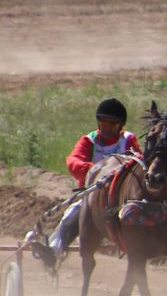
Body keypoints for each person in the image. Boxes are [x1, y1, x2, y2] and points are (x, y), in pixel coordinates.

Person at [34, 97, 142, 266]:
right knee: (69, 217)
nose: (106, 129)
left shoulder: (129, 140)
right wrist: (96, 171)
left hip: (124, 198)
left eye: (112, 124)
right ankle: (54, 250)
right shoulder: (89, 141)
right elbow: (73, 161)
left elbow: (140, 162)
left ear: (121, 125)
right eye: (103, 123)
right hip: (90, 197)